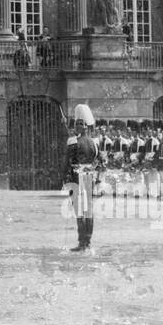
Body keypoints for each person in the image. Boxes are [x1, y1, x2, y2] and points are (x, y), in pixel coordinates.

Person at [65, 104, 99, 252]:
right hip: (89, 178)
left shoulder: (73, 141)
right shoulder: (94, 143)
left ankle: (81, 242)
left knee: (79, 211)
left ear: (79, 127)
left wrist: (66, 181)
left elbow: (67, 162)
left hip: (77, 179)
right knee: (89, 211)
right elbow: (99, 162)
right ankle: (88, 241)